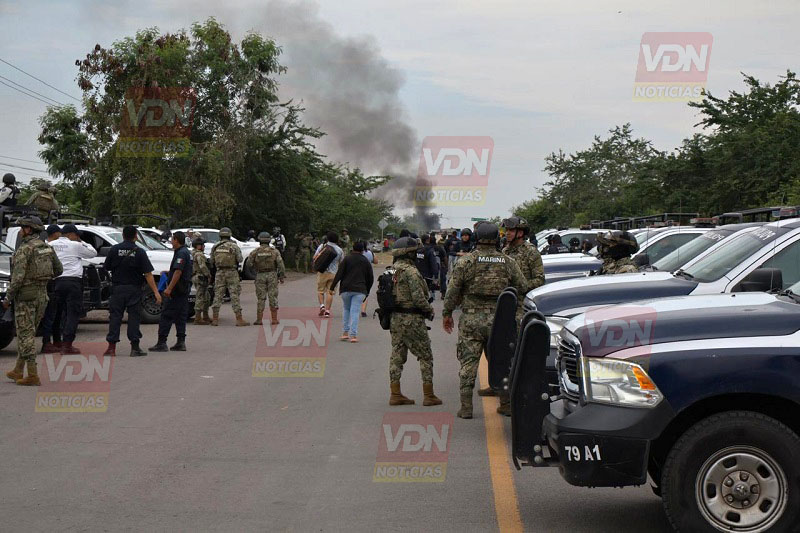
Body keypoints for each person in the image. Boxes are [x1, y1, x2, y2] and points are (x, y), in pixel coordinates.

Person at [442, 222, 526, 419]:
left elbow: (452, 291)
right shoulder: (508, 262)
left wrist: (447, 314)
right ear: (498, 238)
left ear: (475, 238)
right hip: (500, 320)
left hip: (471, 318)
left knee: (468, 362)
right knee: (502, 361)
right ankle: (505, 404)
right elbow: (522, 285)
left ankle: (466, 407)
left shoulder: (466, 262)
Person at [485, 216, 546, 415]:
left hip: (521, 309)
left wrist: (520, 288)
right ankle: (501, 393)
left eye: (510, 231)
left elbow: (539, 279)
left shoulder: (530, 253)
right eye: (506, 231)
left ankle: (518, 400)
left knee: (518, 354)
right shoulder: (504, 252)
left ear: (521, 232)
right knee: (500, 350)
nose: (507, 234)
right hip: (505, 308)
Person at [4, 216, 63, 385]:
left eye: (22, 228)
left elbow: (17, 278)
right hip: (42, 296)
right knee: (29, 333)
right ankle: (17, 370)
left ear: (29, 230)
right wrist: (41, 279)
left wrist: (8, 298)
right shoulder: (47, 248)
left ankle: (32, 374)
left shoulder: (25, 249)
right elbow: (58, 270)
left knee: (25, 335)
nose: (21, 231)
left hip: (26, 297)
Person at [387, 236, 441, 406]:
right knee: (425, 356)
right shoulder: (411, 271)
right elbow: (418, 298)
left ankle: (395, 394)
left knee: (397, 355)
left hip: (395, 319)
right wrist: (429, 310)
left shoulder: (391, 270)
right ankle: (429, 395)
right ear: (409, 254)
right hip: (412, 319)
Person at [103, 225, 161, 357]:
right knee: (134, 318)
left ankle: (111, 348)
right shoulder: (140, 252)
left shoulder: (114, 249)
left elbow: (106, 267)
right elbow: (148, 274)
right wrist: (156, 292)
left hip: (117, 289)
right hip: (134, 289)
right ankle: (135, 348)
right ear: (136, 236)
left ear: (123, 235)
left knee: (115, 318)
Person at [48, 223, 97, 354]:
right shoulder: (75, 245)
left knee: (59, 313)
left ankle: (57, 341)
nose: (77, 238)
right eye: (77, 236)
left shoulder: (51, 245)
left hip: (57, 282)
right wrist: (81, 241)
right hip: (73, 282)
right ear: (71, 235)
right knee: (72, 314)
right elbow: (93, 252)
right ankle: (67, 345)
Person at [150, 231, 192, 352]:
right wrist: (169, 273)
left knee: (167, 315)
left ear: (176, 240)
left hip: (177, 291)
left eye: (172, 240)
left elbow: (178, 271)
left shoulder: (181, 253)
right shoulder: (184, 252)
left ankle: (161, 342)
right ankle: (180, 342)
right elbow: (180, 271)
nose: (171, 242)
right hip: (183, 289)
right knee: (180, 316)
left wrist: (169, 288)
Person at [331, 241, 373, 343]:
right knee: (355, 311)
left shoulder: (347, 259)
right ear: (363, 250)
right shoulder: (365, 261)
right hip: (360, 290)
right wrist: (367, 291)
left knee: (346, 309)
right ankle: (353, 335)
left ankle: (345, 333)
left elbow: (339, 274)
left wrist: (332, 287)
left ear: (353, 248)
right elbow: (370, 278)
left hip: (346, 289)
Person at [210, 227, 248, 326]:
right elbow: (240, 259)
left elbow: (211, 261)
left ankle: (215, 319)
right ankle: (239, 319)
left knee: (218, 295)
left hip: (219, 273)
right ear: (229, 235)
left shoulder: (215, 246)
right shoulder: (234, 246)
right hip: (232, 272)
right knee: (234, 295)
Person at [250, 231, 285, 325]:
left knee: (261, 298)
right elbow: (280, 264)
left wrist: (255, 269)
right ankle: (274, 319)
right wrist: (281, 276)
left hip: (260, 275)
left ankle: (259, 319)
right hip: (272, 275)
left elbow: (249, 264)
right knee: (273, 297)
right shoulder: (274, 251)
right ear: (269, 240)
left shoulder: (255, 252)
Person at [40, 224, 63, 353]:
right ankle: (47, 343)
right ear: (54, 234)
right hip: (49, 284)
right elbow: (58, 269)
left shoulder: (40, 247)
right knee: (50, 315)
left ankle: (54, 341)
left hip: (41, 284)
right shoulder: (48, 249)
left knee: (53, 314)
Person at [313, 231, 343, 318]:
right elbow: (341, 262)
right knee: (330, 292)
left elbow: (315, 257)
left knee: (320, 291)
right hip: (334, 273)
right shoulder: (339, 250)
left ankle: (322, 306)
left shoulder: (322, 246)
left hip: (322, 272)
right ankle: (327, 311)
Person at [191, 237, 211, 325]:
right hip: (200, 277)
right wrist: (208, 275)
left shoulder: (194, 253)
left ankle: (205, 316)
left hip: (197, 276)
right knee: (200, 297)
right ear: (199, 246)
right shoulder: (199, 255)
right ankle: (198, 317)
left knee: (206, 297)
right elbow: (202, 266)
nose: (204, 246)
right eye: (203, 245)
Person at [415, 233, 439, 301]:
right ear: (428, 240)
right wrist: (436, 276)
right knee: (427, 295)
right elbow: (434, 264)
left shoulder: (417, 250)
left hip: (418, 275)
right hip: (427, 277)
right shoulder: (430, 250)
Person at [359, 240, 378, 317]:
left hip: (357, 274)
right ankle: (363, 311)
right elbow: (376, 262)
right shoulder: (370, 253)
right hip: (367, 274)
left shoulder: (357, 253)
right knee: (365, 293)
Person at [433, 233, 448, 300]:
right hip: (441, 265)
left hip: (433, 266)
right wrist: (446, 266)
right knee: (443, 280)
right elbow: (445, 258)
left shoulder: (429, 248)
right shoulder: (440, 247)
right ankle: (443, 294)